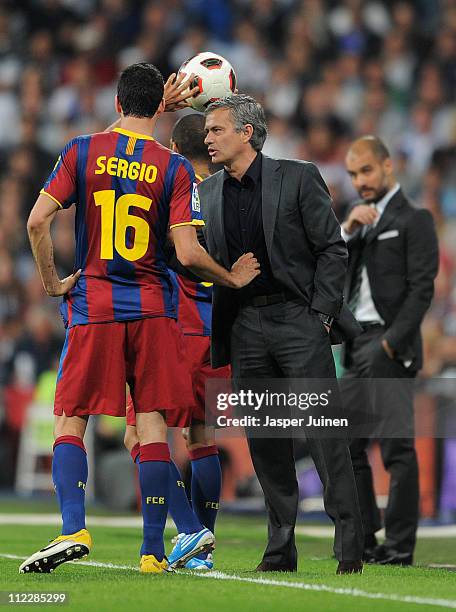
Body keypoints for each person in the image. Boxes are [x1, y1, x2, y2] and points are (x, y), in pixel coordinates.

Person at [22, 64, 259, 575]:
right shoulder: (174, 167)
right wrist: (231, 279)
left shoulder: (82, 150)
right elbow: (188, 251)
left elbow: (37, 220)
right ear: (159, 108)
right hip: (156, 310)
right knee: (155, 428)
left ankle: (72, 528)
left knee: (72, 419)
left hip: (96, 304)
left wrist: (51, 281)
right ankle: (155, 553)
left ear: (114, 102)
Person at [199, 94, 364, 574]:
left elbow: (333, 250)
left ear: (246, 133)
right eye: (207, 131)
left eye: (216, 130)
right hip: (246, 325)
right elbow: (194, 260)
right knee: (265, 441)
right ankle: (279, 550)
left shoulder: (296, 176)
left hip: (299, 320)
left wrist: (322, 317)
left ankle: (350, 547)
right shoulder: (206, 193)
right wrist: (221, 273)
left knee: (324, 437)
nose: (207, 138)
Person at [124, 113, 230, 571]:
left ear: (172, 145)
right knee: (201, 437)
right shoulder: (231, 193)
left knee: (139, 433)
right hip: (220, 331)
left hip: (175, 327)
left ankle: (189, 529)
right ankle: (202, 552)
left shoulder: (171, 187)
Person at [340, 135, 439, 565]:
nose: (360, 181)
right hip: (356, 342)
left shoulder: (414, 219)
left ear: (387, 167)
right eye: (353, 175)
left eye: (365, 171)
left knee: (397, 449)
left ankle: (399, 549)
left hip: (388, 346)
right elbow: (335, 275)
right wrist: (345, 232)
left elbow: (422, 290)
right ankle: (365, 541)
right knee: (346, 444)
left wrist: (389, 343)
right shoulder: (360, 224)